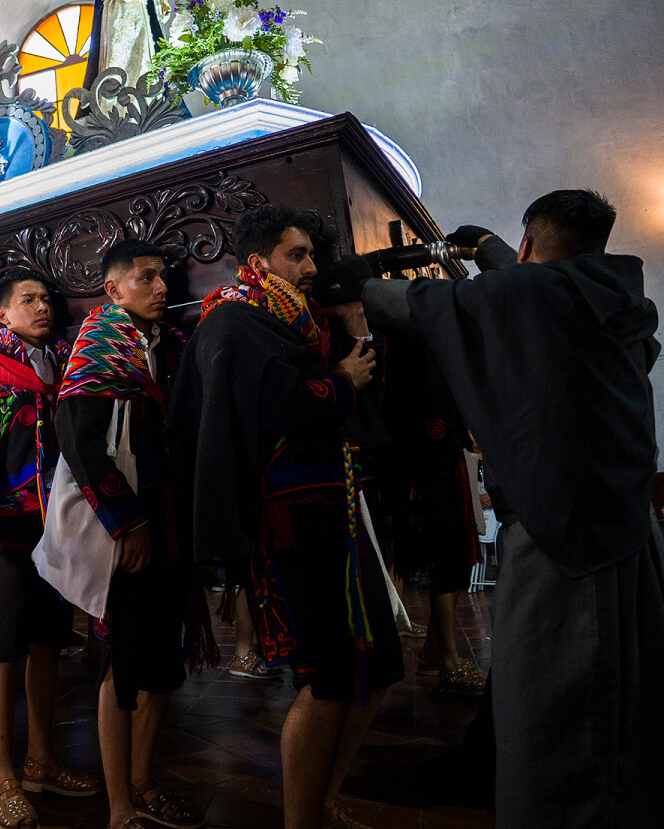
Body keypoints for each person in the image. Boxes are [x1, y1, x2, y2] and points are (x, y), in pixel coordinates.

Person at [354, 190, 664, 827]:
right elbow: (540, 298)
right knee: (624, 699)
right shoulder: (626, 300)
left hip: (562, 542)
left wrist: (355, 274)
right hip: (632, 529)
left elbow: (407, 305)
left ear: (529, 243)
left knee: (558, 708)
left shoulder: (524, 295)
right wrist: (493, 252)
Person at [168, 205, 400, 829]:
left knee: (374, 670)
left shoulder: (298, 326)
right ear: (258, 259)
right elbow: (288, 409)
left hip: (337, 513)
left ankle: (325, 805)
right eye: (296, 255)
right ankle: (302, 820)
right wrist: (343, 379)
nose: (310, 268)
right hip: (292, 523)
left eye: (311, 256)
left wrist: (350, 351)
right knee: (324, 677)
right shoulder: (237, 321)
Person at [57, 241, 207, 829]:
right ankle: (120, 807)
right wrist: (130, 523)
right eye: (146, 278)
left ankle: (143, 781)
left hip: (172, 527)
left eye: (165, 278)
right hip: (128, 532)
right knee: (121, 665)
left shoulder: (167, 349)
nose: (161, 287)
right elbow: (81, 445)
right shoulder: (96, 349)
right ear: (113, 289)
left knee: (163, 663)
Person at [0, 267, 100, 829]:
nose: (42, 308)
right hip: (6, 530)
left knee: (47, 643)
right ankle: (4, 779)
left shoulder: (66, 359)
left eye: (46, 299)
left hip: (57, 526)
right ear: (2, 312)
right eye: (28, 300)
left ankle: (41, 758)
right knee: (3, 650)